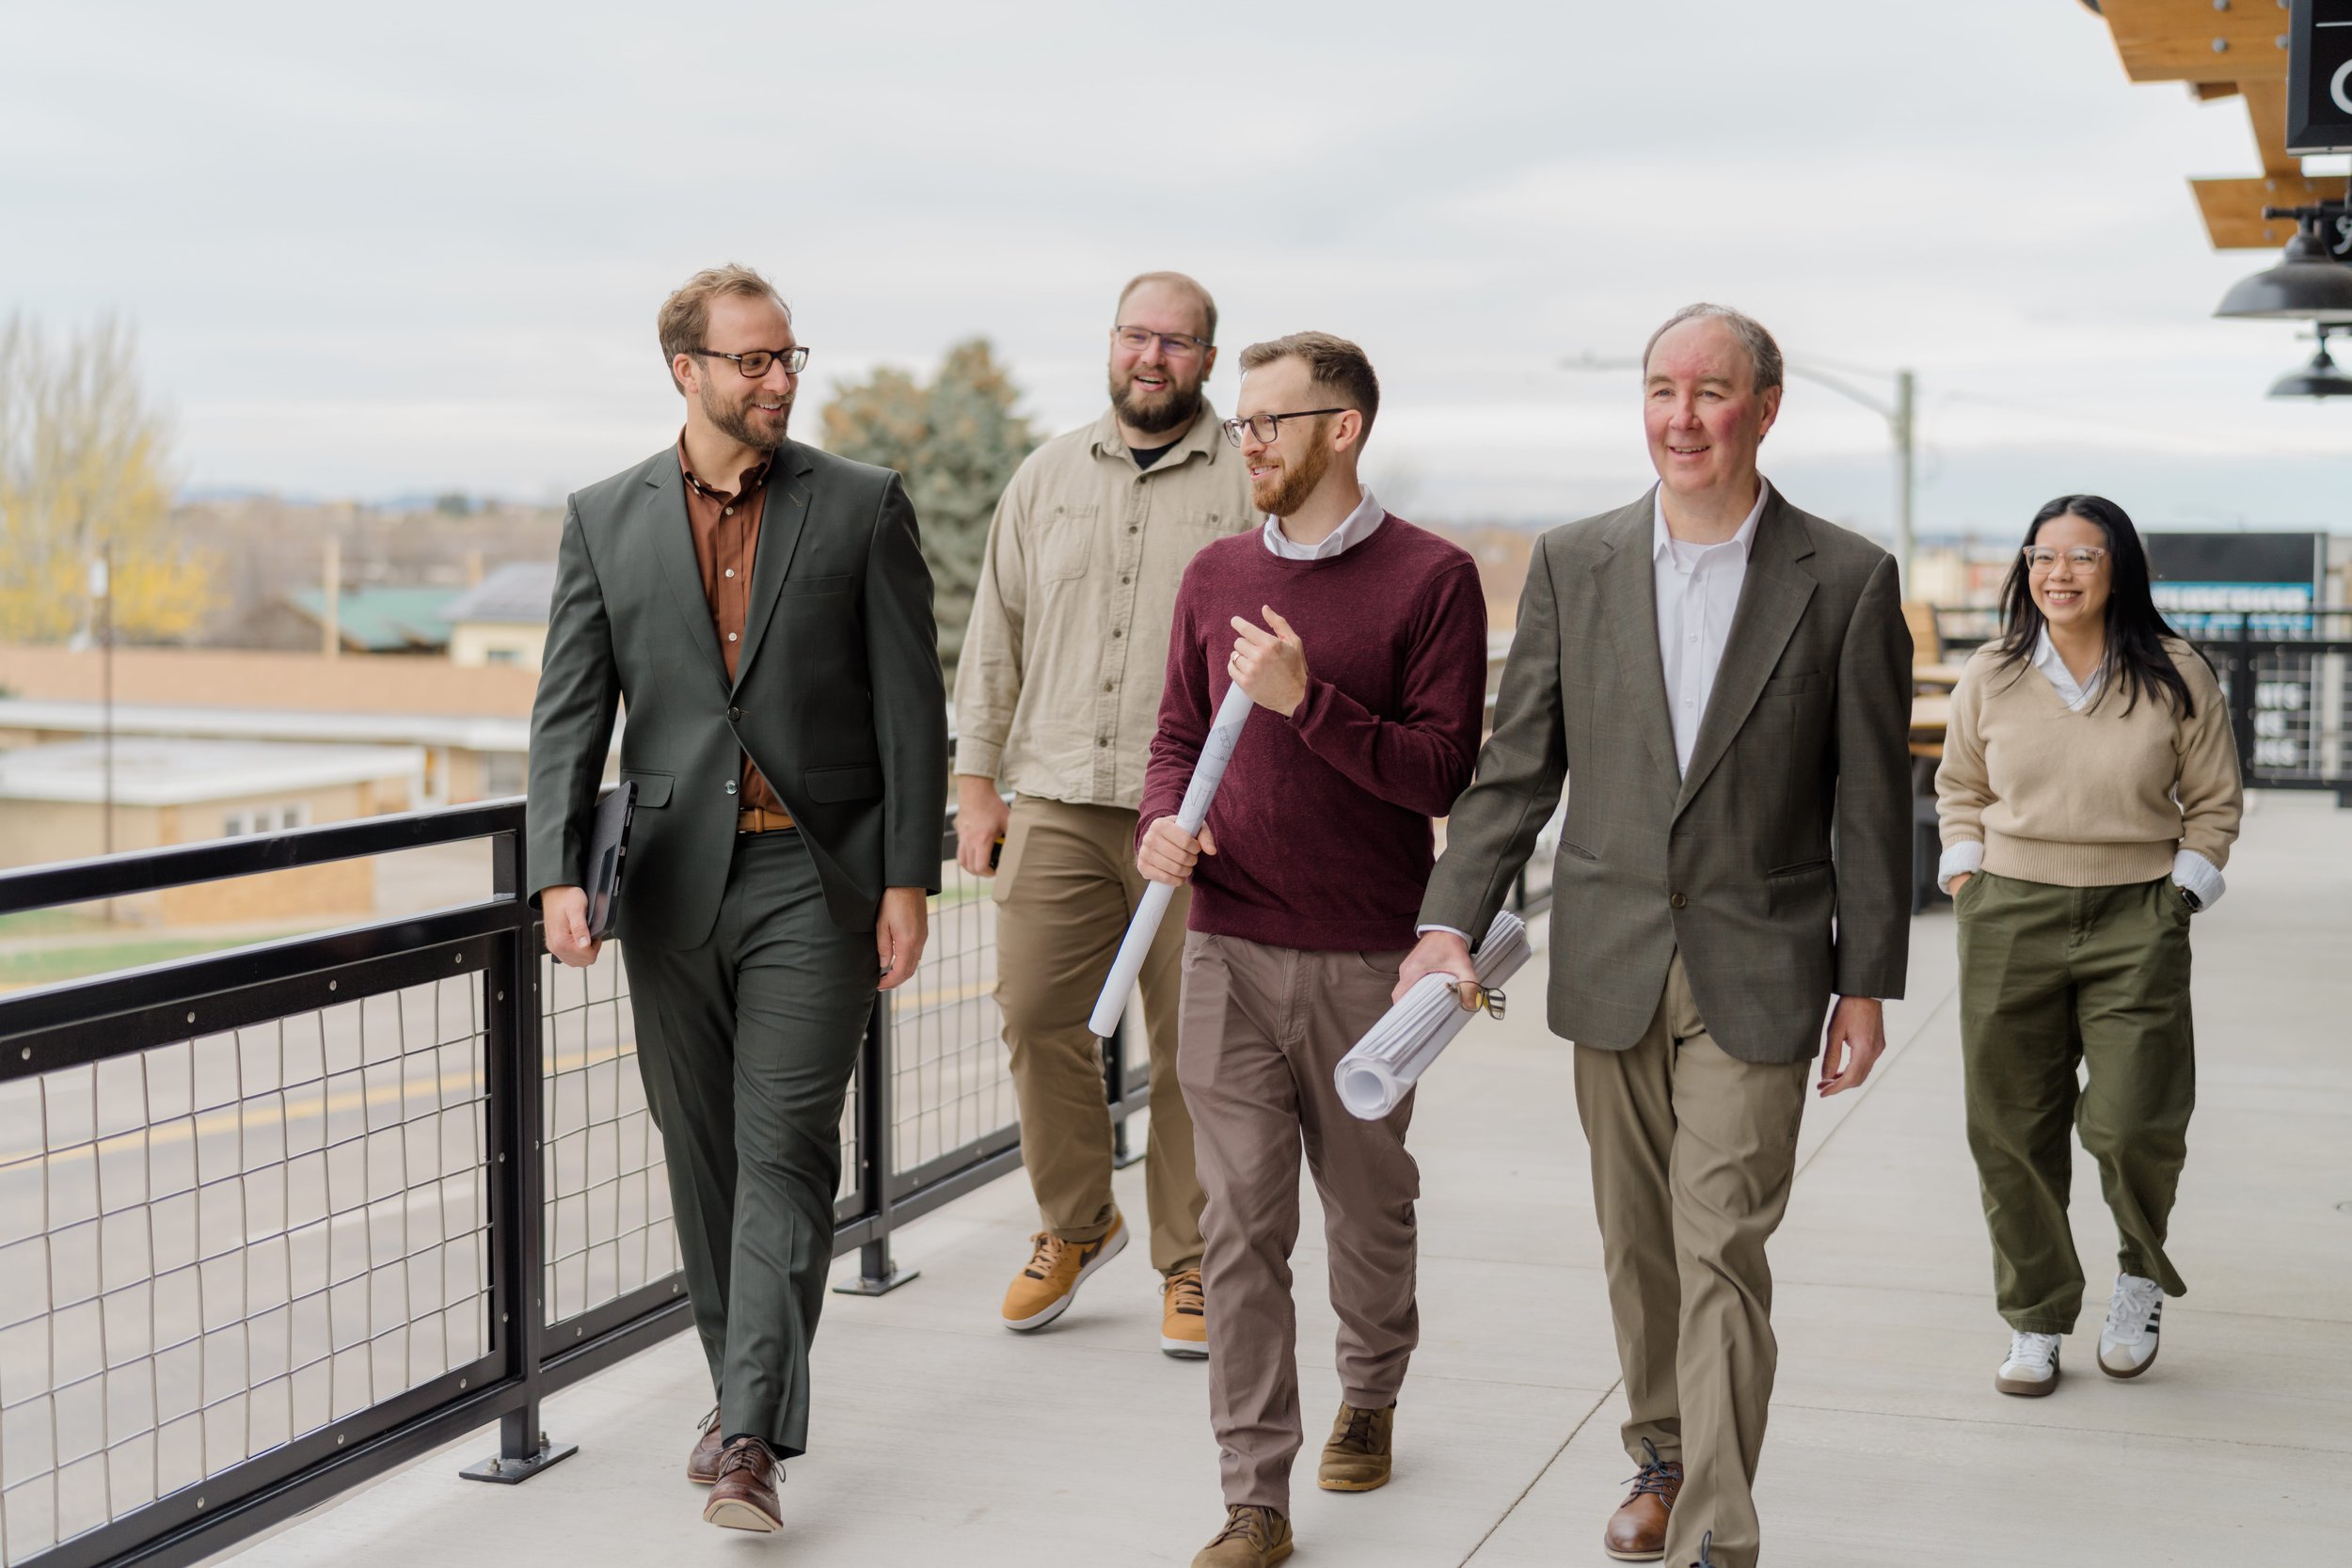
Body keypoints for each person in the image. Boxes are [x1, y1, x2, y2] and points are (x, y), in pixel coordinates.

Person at [1396, 304, 1913, 1568]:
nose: (1682, 416)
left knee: (1721, 1239)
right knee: (1640, 1243)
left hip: (1766, 958)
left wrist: (1866, 981)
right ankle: (1661, 1450)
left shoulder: (1844, 576)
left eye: (1711, 390)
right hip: (1614, 960)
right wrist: (1445, 918)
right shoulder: (1576, 562)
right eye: (1661, 389)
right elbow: (1517, 770)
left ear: (1766, 407)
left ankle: (1716, 1530)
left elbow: (1867, 798)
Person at [525, 263, 946, 1534]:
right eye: (753, 361)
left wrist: (907, 874)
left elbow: (909, 704)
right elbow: (569, 705)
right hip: (664, 888)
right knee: (700, 1148)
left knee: (784, 1149)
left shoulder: (863, 506)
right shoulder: (605, 517)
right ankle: (737, 1392)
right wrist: (555, 867)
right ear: (686, 370)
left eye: (788, 359)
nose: (779, 381)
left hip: (813, 876)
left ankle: (751, 1433)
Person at [1136, 332, 1488, 1568]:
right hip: (1226, 947)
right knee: (1237, 1225)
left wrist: (1309, 703)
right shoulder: (1214, 569)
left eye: (1270, 422)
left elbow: (1442, 769)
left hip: (1364, 959)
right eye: (1241, 424)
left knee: (1370, 1208)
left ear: (1343, 428)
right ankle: (1254, 1496)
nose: (1248, 443)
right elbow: (1178, 735)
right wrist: (1160, 825)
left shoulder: (1432, 579)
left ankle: (1374, 1384)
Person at [953, 271, 1254, 1353]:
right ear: (1111, 343)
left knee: (1191, 1049)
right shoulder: (1044, 476)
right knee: (1036, 1012)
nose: (1152, 357)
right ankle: (1077, 1224)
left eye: (1177, 342)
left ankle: (1191, 1260)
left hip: (1201, 816)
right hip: (1057, 800)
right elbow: (997, 635)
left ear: (1209, 360)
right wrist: (975, 781)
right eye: (1136, 335)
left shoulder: (1246, 482)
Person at [1934, 494, 2242, 1400]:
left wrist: (2183, 888)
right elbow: (1960, 782)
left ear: (2120, 570)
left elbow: (2215, 800)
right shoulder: (1991, 672)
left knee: (2136, 1118)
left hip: (2136, 913)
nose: (2059, 574)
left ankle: (2138, 1280)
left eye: (2083, 557)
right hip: (2008, 913)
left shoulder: (2177, 671)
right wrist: (1965, 873)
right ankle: (2034, 1317)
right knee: (2010, 1127)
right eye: (2043, 556)